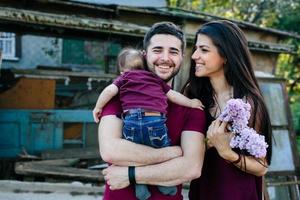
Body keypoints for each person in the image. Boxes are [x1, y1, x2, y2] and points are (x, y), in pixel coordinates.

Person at [98, 21, 206, 200]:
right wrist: (173, 154)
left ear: (181, 58)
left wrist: (129, 174)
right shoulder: (119, 98)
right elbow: (111, 151)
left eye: (173, 51)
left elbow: (191, 168)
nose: (165, 58)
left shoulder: (192, 108)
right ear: (144, 54)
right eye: (157, 50)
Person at [184, 20, 272, 200]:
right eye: (196, 49)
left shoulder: (249, 103)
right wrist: (208, 142)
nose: (194, 56)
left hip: (239, 194)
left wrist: (227, 153)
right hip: (203, 192)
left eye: (204, 50)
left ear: (225, 56)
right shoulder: (193, 96)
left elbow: (262, 166)